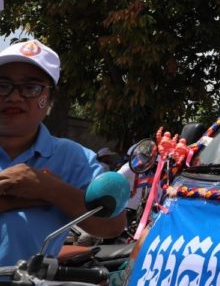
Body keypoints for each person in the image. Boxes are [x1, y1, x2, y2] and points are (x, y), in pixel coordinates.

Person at [0, 40, 126, 264]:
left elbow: (112, 225)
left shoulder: (75, 159)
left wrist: (50, 189)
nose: (14, 97)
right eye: (2, 85)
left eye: (31, 87)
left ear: (49, 98)